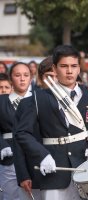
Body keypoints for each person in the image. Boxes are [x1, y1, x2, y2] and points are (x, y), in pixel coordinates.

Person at [14, 45, 88, 200]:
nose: (69, 71)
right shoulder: (38, 98)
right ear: (54, 68)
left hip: (86, 170)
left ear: (79, 68)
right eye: (64, 66)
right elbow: (22, 133)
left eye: (74, 66)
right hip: (54, 172)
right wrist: (42, 155)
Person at [0, 62, 32, 200]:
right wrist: (2, 145)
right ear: (11, 78)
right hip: (10, 154)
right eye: (17, 75)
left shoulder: (37, 99)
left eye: (26, 75)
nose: (22, 79)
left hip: (33, 155)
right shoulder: (2, 101)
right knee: (11, 195)